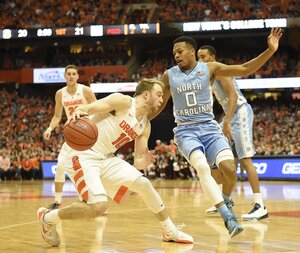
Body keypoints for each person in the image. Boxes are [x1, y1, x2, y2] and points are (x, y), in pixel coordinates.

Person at [151, 28, 282, 237]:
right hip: (186, 130)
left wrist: (270, 51)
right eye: (174, 52)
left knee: (230, 169)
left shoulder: (210, 68)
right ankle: (227, 217)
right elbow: (159, 105)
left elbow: (245, 68)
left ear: (192, 52)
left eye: (180, 51)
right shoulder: (169, 75)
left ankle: (226, 199)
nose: (176, 55)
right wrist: (139, 120)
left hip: (210, 128)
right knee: (203, 167)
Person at [37, 78, 193, 247]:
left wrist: (145, 160)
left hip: (106, 157)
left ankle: (169, 230)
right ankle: (48, 218)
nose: (162, 100)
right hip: (83, 153)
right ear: (146, 95)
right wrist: (80, 111)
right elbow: (87, 108)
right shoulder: (123, 101)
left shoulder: (144, 125)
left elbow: (138, 162)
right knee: (99, 206)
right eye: (159, 95)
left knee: (144, 184)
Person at [197, 45, 268, 220]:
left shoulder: (220, 71)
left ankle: (260, 206)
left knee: (245, 158)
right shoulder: (209, 76)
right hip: (228, 116)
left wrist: (227, 121)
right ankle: (225, 199)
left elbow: (233, 97)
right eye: (198, 57)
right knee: (213, 155)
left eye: (204, 56)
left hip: (240, 112)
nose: (200, 60)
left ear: (212, 57)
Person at [43, 65, 97, 209]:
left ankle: (92, 199)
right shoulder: (60, 94)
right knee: (60, 165)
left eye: (74, 74)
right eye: (69, 74)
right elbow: (56, 116)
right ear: (65, 76)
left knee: (87, 168)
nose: (71, 76)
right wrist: (49, 129)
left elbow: (98, 108)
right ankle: (58, 201)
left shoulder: (85, 90)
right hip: (72, 133)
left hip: (87, 132)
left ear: (78, 76)